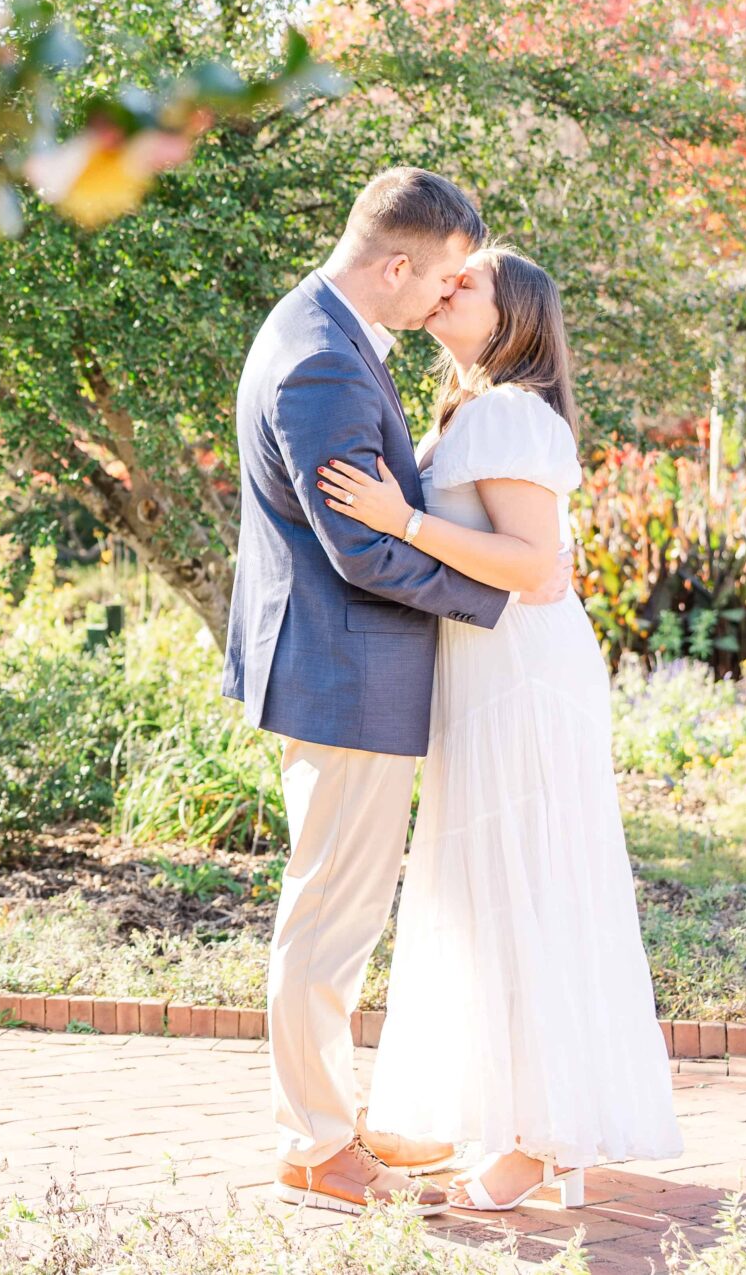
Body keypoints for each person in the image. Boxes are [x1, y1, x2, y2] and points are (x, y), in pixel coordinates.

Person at [316, 244, 681, 1210]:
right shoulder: (476, 411)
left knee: (529, 885)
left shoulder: (513, 412)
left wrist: (401, 521)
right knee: (490, 891)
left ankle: (544, 1136)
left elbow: (533, 567)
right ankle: (512, 1114)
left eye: (466, 282)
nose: (446, 287)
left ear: (511, 315)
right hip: (483, 673)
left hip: (523, 677)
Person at [222, 168, 554, 1215]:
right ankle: (314, 1144)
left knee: (336, 908)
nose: (442, 300)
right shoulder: (321, 363)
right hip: (344, 672)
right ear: (397, 265)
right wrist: (500, 590)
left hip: (341, 668)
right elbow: (361, 551)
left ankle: (324, 1118)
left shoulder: (315, 329)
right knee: (330, 915)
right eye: (444, 278)